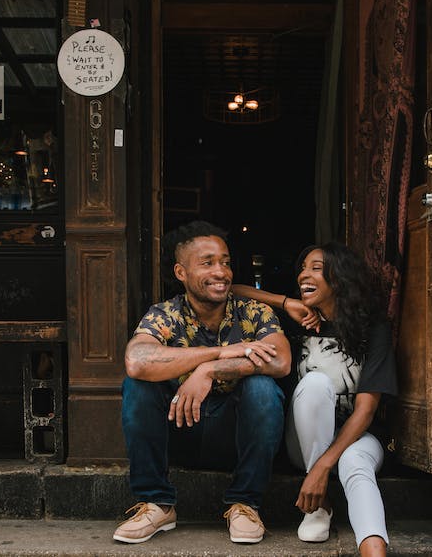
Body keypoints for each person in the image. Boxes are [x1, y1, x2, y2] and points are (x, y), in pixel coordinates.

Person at [114, 221, 292, 545]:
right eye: (207, 263)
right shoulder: (164, 314)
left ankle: (245, 505)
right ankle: (157, 503)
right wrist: (220, 352)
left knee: (264, 389)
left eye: (224, 261)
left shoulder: (253, 311)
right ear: (181, 272)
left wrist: (208, 370)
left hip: (233, 434)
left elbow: (280, 360)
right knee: (136, 386)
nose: (221, 271)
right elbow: (137, 361)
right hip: (179, 428)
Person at [232, 242, 397, 557]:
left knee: (355, 463)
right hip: (302, 443)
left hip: (358, 436)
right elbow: (233, 291)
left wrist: (322, 468)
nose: (304, 275)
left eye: (316, 268)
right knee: (316, 383)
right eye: (303, 268)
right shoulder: (298, 321)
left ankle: (374, 550)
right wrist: (286, 303)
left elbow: (365, 411)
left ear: (341, 278)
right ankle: (318, 507)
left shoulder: (372, 329)